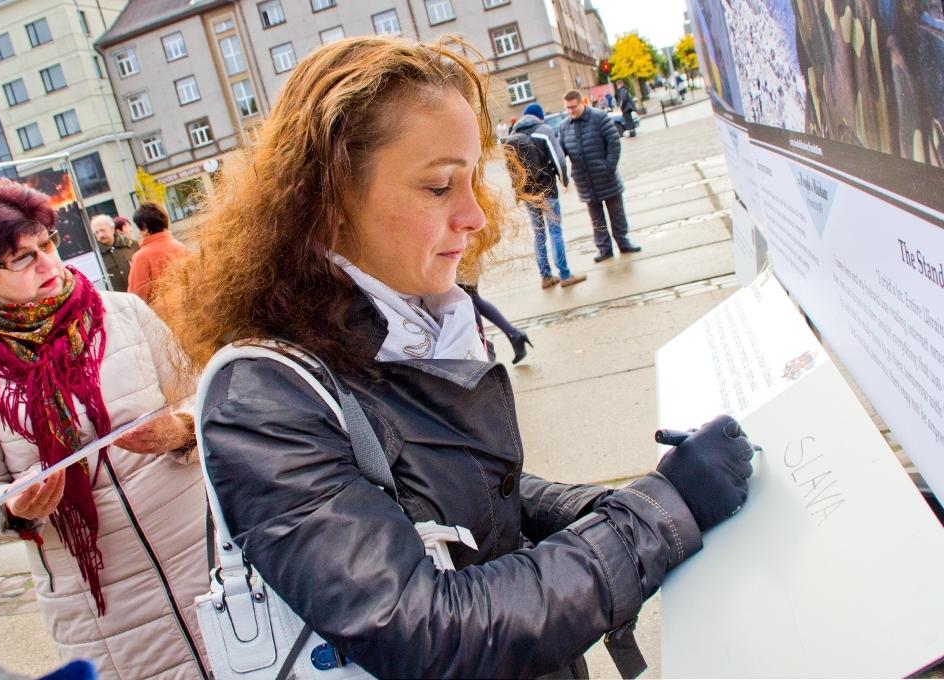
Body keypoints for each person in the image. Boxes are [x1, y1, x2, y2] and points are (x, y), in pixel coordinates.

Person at [159, 36, 757, 678]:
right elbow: (427, 631)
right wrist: (657, 516)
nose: (474, 213)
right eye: (441, 185)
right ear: (329, 197)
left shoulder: (417, 319)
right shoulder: (262, 400)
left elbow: (466, 491)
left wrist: (614, 506)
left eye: (473, 177)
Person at [0, 180, 209, 679]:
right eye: (22, 259)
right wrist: (13, 508)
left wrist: (181, 430)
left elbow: (200, 400)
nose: (48, 264)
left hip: (202, 557)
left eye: (48, 244)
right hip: (98, 607)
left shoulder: (123, 313)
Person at [504, 102, 587, 289]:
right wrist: (564, 180)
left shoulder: (511, 138)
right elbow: (559, 159)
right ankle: (565, 275)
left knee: (539, 233)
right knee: (555, 231)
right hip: (547, 190)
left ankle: (546, 277)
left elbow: (512, 170)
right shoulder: (543, 130)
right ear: (539, 116)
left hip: (528, 195)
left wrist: (519, 192)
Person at [559, 89, 643, 262]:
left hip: (606, 177)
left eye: (573, 107)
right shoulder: (565, 126)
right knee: (596, 219)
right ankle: (604, 249)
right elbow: (561, 151)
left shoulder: (599, 117)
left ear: (582, 103)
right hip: (585, 182)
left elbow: (614, 143)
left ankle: (623, 242)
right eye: (567, 108)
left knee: (617, 214)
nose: (570, 111)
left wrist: (608, 167)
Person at [127, 201, 189, 303]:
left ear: (145, 228)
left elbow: (136, 298)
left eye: (139, 228)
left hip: (160, 311)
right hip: (188, 308)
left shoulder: (141, 256)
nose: (139, 233)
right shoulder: (180, 247)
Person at [90, 214, 138, 293]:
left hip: (139, 295)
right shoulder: (96, 257)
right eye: (96, 232)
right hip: (117, 299)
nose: (100, 235)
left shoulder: (132, 245)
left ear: (112, 229)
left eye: (102, 230)